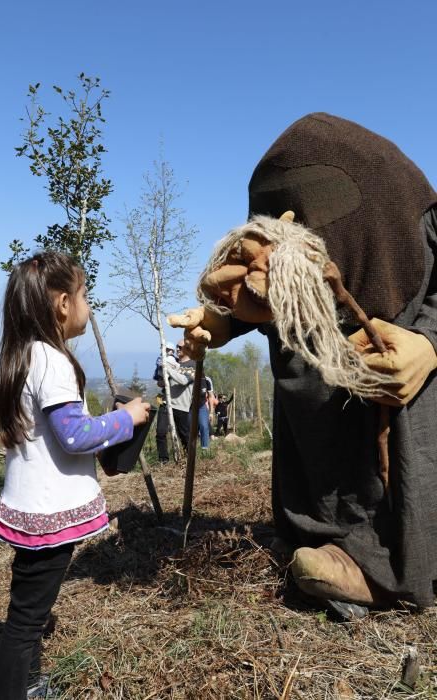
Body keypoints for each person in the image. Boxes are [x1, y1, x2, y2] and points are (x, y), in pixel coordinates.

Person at [169, 113, 437, 618]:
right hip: (310, 374)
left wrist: (429, 341)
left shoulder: (407, 213)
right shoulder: (281, 240)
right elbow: (262, 281)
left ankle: (388, 563)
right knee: (308, 407)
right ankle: (318, 535)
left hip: (395, 342)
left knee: (403, 423)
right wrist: (222, 319)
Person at [0, 251, 150, 699]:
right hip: (48, 514)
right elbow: (75, 437)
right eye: (84, 295)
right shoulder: (54, 362)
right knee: (24, 623)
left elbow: (59, 432)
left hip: (30, 509)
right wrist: (128, 418)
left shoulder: (25, 355)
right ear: (63, 303)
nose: (89, 305)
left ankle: (30, 684)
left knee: (29, 614)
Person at [155, 339, 194, 461]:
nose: (177, 349)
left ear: (188, 349)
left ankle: (190, 460)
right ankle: (164, 460)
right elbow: (162, 382)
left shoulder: (193, 365)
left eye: (180, 347)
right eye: (177, 347)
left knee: (184, 435)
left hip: (181, 406)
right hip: (166, 403)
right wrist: (162, 380)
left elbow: (183, 381)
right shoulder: (173, 362)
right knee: (160, 433)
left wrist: (168, 369)